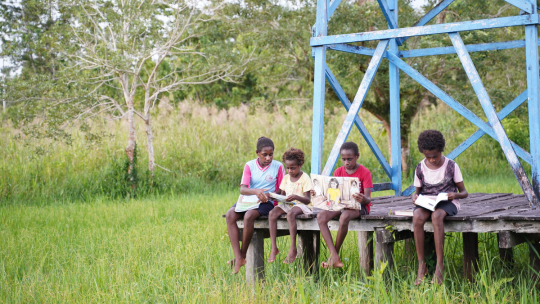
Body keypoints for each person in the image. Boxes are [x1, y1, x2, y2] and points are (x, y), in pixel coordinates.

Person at [412, 130, 468, 285]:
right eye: (428, 157)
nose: (432, 160)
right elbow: (417, 193)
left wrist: (454, 195)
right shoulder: (420, 168)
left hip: (447, 202)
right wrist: (415, 198)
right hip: (427, 202)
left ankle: (439, 265)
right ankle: (422, 265)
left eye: (435, 156)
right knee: (417, 216)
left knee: (436, 216)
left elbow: (464, 192)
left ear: (441, 150)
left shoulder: (451, 166)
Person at [225, 136, 285, 274]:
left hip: (267, 202)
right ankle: (238, 256)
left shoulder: (278, 166)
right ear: (257, 153)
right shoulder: (249, 165)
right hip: (249, 200)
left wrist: (269, 195)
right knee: (230, 215)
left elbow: (282, 189)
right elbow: (243, 189)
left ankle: (242, 255)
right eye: (265, 155)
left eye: (271, 154)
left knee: (249, 216)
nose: (268, 158)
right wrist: (256, 191)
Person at [315, 142, 373, 269]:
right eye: (344, 159)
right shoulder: (338, 171)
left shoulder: (365, 172)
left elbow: (368, 199)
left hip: (359, 206)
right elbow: (336, 194)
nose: (346, 162)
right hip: (341, 204)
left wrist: (362, 198)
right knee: (321, 216)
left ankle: (334, 257)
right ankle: (334, 256)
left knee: (344, 216)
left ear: (357, 156)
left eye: (350, 159)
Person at [268, 148, 313, 263]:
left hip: (301, 205)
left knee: (290, 214)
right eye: (287, 168)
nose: (290, 171)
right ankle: (274, 248)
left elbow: (307, 200)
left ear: (300, 164)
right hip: (288, 203)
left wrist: (296, 196)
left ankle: (293, 248)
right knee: (272, 213)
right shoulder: (286, 178)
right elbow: (282, 194)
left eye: (293, 168)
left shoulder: (305, 178)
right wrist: (273, 196)